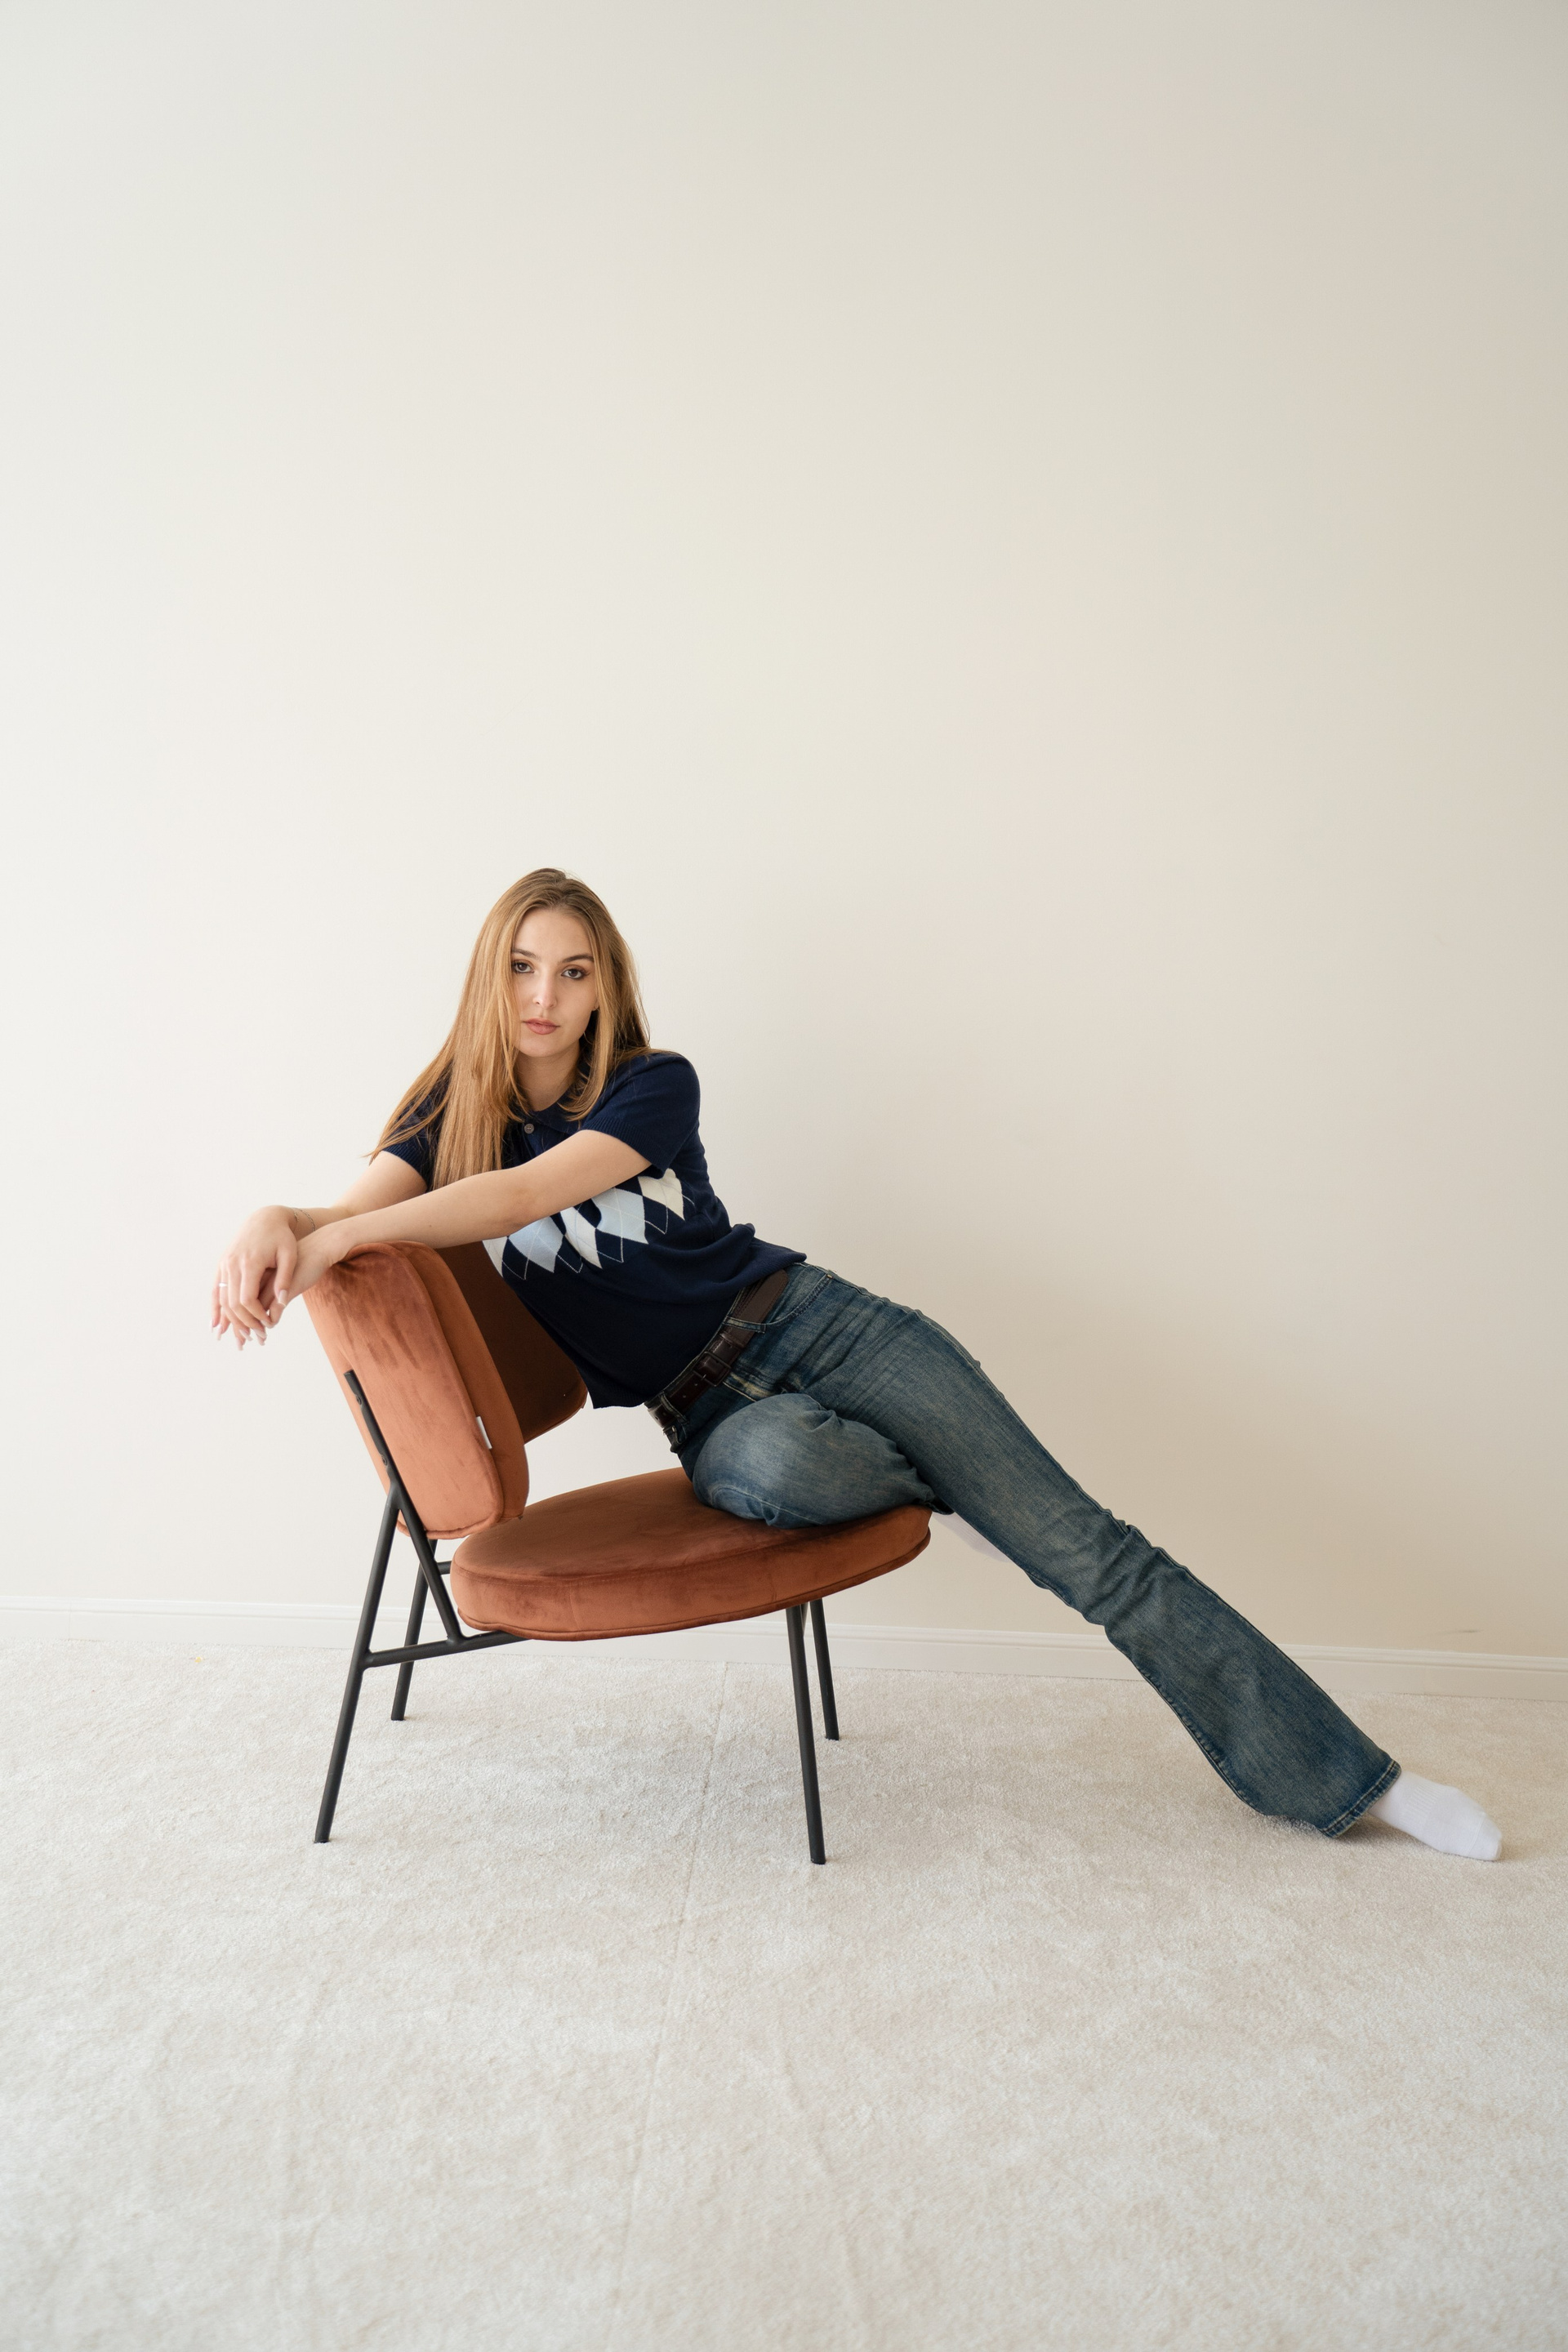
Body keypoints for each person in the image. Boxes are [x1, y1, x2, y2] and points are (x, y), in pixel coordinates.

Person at [214, 868, 1501, 1861]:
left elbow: (517, 1198)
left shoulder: (653, 1086)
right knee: (782, 1473)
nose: (543, 994)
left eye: (573, 971)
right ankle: (949, 1482)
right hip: (713, 1417)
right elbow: (353, 1211)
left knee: (1091, 1553)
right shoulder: (445, 1116)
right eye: (520, 966)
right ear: (487, 978)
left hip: (819, 1327)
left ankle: (1358, 1782)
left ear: (605, 990)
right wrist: (284, 1220)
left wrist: (337, 1234)